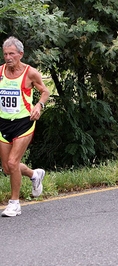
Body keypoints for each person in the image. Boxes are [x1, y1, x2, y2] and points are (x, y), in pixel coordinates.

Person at [0, 36, 50, 217]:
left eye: (11, 53)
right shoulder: (0, 72)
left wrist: (39, 105)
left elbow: (45, 91)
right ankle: (34, 175)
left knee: (13, 162)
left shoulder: (30, 73)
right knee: (7, 168)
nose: (8, 57)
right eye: (5, 54)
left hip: (23, 123)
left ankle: (14, 203)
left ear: (20, 54)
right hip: (3, 123)